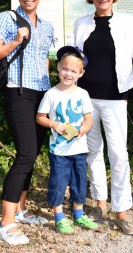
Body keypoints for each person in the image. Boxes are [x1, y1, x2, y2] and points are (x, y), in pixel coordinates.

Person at [73, 0, 133, 235]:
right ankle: (100, 202)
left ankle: (121, 209)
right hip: (85, 98)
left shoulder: (126, 21)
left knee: (119, 155)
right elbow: (75, 58)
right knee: (93, 152)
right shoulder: (80, 23)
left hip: (115, 97)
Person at [0, 0, 54, 245]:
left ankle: (21, 210)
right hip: (18, 93)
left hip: (42, 95)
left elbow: (44, 62)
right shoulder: (6, 19)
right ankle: (6, 223)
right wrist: (14, 40)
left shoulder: (47, 26)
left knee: (33, 153)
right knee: (25, 154)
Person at [36, 46, 98, 234]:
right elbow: (40, 117)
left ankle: (78, 214)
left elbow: (89, 119)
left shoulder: (83, 94)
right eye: (65, 69)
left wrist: (83, 129)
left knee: (80, 182)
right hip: (59, 152)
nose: (68, 74)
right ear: (58, 68)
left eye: (73, 71)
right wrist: (53, 124)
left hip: (79, 149)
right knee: (58, 182)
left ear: (81, 73)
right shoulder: (51, 94)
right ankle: (59, 217)